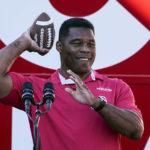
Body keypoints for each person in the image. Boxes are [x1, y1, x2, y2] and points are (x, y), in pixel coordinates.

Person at [0, 18, 144, 150]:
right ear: (59, 47)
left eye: (91, 44)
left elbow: (136, 130)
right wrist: (23, 42)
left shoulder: (116, 86)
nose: (85, 49)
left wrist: (97, 103)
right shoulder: (38, 88)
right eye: (77, 43)